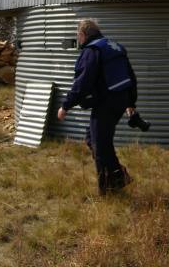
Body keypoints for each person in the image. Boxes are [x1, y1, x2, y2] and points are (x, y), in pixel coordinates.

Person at [58, 19, 137, 195]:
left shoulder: (92, 51)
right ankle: (119, 176)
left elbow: (83, 83)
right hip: (120, 99)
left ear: (82, 35)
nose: (78, 40)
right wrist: (131, 102)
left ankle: (108, 190)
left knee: (100, 146)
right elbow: (131, 75)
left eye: (77, 36)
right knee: (93, 138)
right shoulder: (114, 46)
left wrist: (65, 106)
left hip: (107, 103)